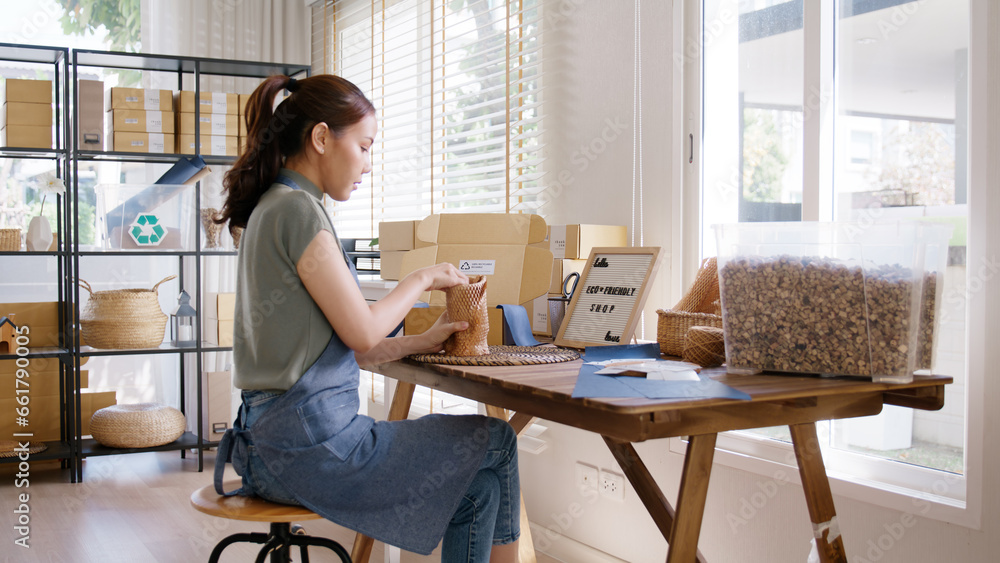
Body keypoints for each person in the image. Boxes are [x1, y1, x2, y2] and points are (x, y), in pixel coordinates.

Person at [212, 74, 521, 563]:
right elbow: (361, 331)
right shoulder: (298, 212)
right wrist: (419, 279)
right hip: (310, 450)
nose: (368, 165)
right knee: (497, 440)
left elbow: (356, 343)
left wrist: (421, 341)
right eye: (363, 145)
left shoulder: (274, 207)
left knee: (476, 490)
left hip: (274, 448)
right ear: (320, 138)